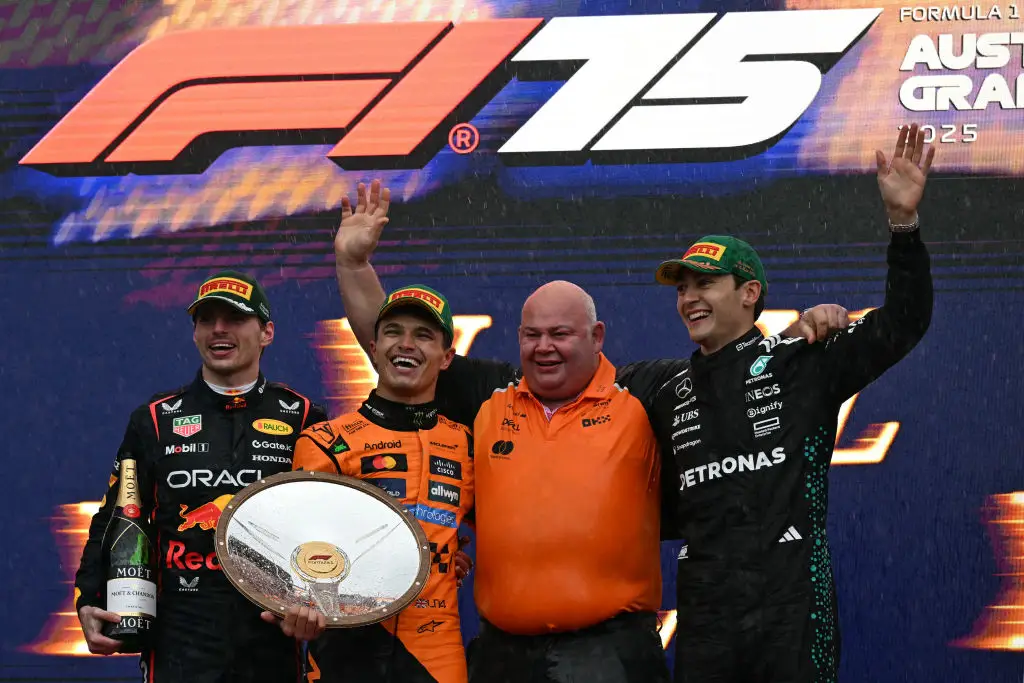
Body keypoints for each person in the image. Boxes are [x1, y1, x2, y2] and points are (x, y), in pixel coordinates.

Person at [327, 182, 852, 682]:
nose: (544, 347)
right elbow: (398, 352)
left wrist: (794, 336)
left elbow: (731, 367)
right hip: (504, 652)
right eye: (532, 335)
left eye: (560, 334)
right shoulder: (492, 394)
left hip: (613, 653)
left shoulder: (645, 391)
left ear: (597, 337)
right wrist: (354, 263)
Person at [651, 123, 935, 682]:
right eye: (682, 288)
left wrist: (903, 225)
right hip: (705, 614)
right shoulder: (661, 385)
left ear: (748, 292)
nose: (689, 299)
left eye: (704, 284)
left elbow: (905, 321)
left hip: (793, 609)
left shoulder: (804, 361)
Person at [75, 270, 328, 683]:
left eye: (234, 318)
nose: (219, 329)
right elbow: (116, 514)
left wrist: (320, 602)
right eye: (206, 319)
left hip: (270, 632)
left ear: (267, 332)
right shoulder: (155, 419)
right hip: (182, 632)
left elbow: (325, 522)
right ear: (194, 333)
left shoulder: (303, 416)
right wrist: (89, 597)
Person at [275, 284, 474, 683]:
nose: (406, 344)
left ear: (447, 356)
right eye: (393, 331)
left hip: (435, 651)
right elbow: (292, 557)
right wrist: (293, 606)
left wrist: (454, 556)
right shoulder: (324, 441)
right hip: (343, 650)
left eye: (423, 335)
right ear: (374, 345)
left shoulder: (466, 443)